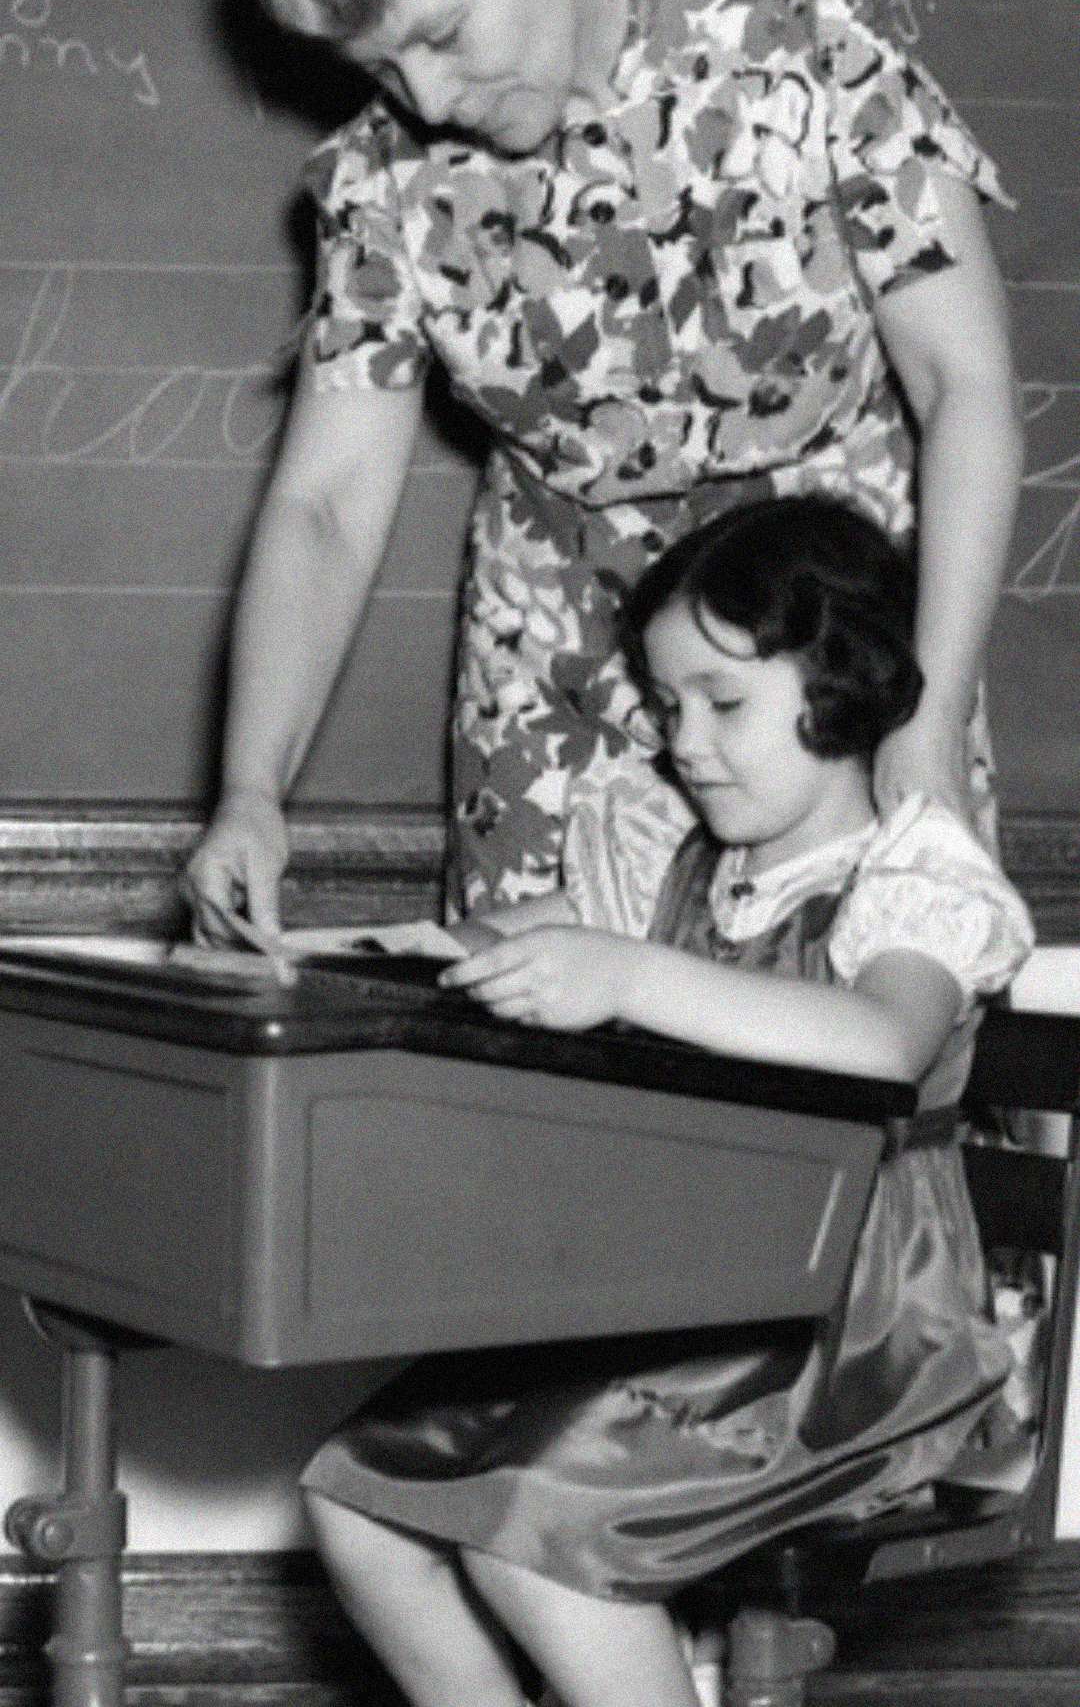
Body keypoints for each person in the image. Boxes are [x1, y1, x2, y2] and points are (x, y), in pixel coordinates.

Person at [183, 0, 1025, 945]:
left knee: (844, 1039)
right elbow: (324, 507)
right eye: (381, 66)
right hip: (564, 673)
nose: (425, 101)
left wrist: (921, 719)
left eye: (441, 34)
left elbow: (963, 387)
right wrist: (251, 792)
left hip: (834, 647)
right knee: (545, 1091)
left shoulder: (795, 32)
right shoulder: (384, 185)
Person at [296, 494, 1034, 1707]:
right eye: (670, 702)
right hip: (695, 1291)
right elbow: (535, 933)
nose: (686, 739)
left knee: (539, 1543)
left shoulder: (913, 868)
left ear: (845, 682)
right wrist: (392, 953)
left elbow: (886, 1042)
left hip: (853, 1330)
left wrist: (629, 971)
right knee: (357, 1494)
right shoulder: (677, 851)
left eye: (725, 703)